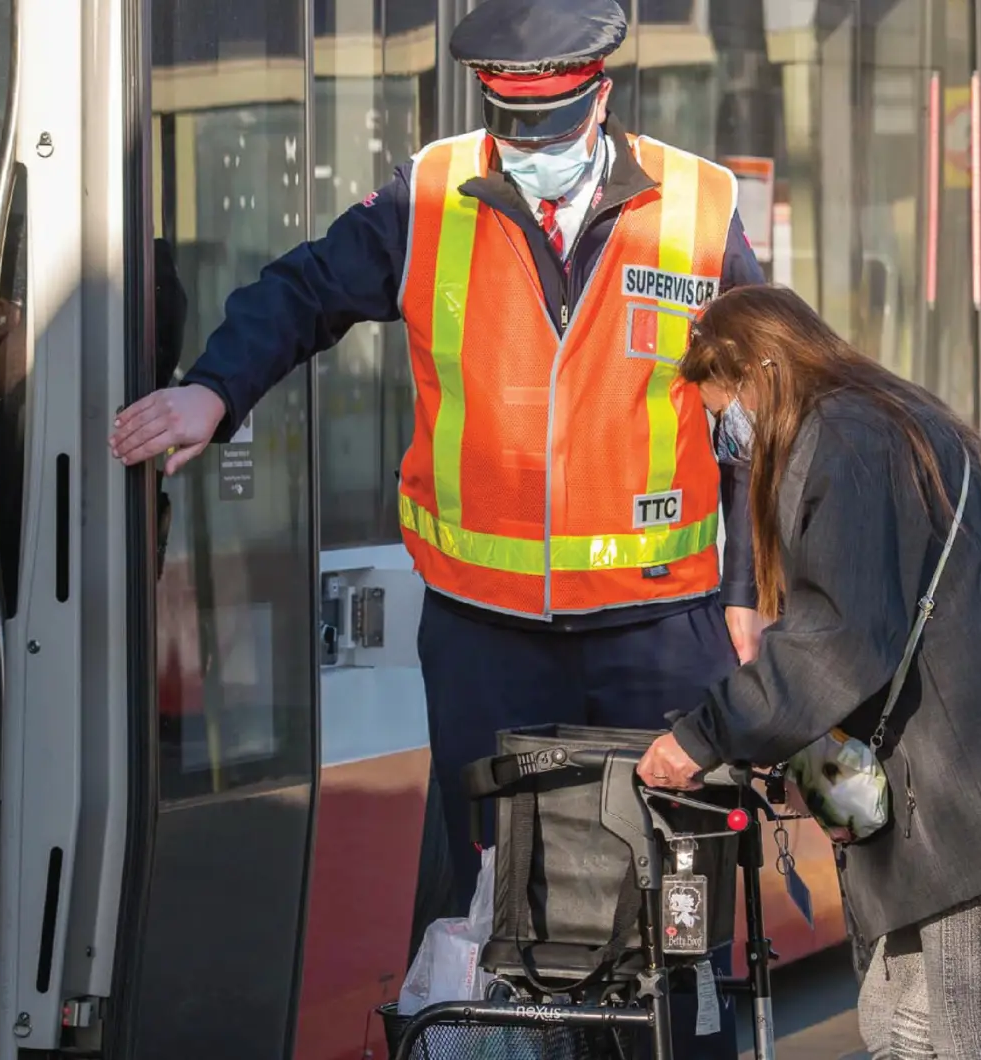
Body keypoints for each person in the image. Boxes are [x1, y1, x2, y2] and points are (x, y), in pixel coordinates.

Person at [109, 0, 762, 1053]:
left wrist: (747, 591)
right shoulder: (430, 195)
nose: (530, 150)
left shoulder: (695, 207)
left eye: (548, 130)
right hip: (486, 635)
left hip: (657, 630)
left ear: (599, 97)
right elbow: (303, 290)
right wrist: (214, 392)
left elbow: (760, 411)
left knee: (672, 927)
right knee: (481, 919)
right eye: (511, 124)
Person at [635, 285, 981, 1060]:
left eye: (724, 412)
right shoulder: (871, 418)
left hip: (979, 793)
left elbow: (838, 635)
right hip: (946, 786)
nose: (729, 439)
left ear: (760, 372)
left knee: (969, 1036)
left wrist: (705, 734)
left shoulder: (847, 440)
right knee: (899, 1026)